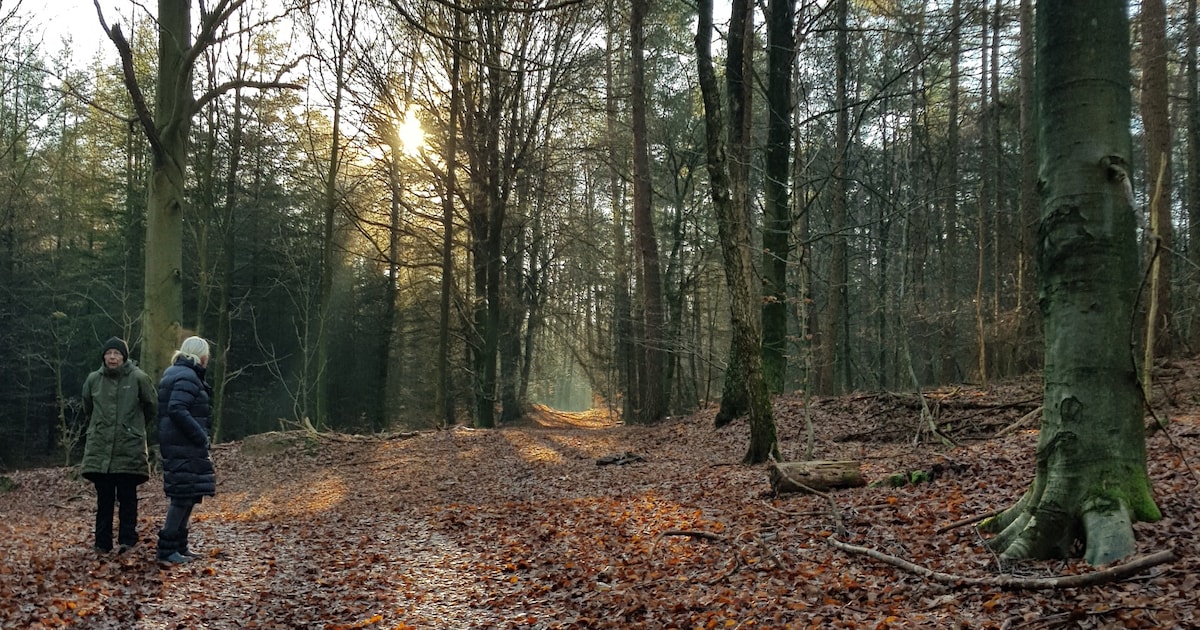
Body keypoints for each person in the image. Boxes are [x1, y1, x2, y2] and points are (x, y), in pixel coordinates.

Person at [80, 336, 157, 554]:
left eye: (117, 354)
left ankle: (127, 541)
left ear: (124, 357)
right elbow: (88, 408)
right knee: (104, 499)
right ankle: (102, 544)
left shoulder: (139, 378)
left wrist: (134, 428)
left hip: (129, 449)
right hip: (100, 448)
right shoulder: (93, 380)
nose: (113, 357)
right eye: (109, 353)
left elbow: (152, 406)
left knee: (127, 498)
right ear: (103, 356)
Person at [155, 336, 217, 564]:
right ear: (201, 355)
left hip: (181, 445)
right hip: (183, 446)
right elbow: (177, 409)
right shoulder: (187, 376)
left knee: (188, 494)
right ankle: (166, 550)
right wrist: (200, 436)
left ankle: (179, 547)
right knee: (181, 498)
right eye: (207, 354)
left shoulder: (179, 374)